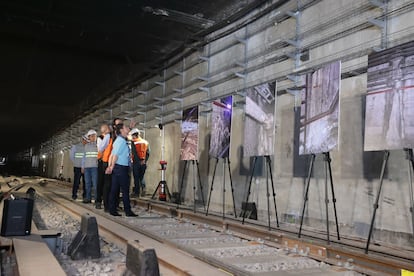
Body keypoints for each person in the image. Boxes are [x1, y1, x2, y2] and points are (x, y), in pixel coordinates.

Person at [106, 123, 137, 217]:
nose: (128, 129)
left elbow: (112, 154)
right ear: (121, 130)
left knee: (114, 189)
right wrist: (111, 166)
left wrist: (110, 166)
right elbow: (115, 155)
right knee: (124, 190)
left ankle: (112, 210)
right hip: (121, 168)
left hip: (117, 167)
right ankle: (127, 211)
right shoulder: (121, 141)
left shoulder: (119, 140)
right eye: (126, 127)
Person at [129, 128, 150, 197]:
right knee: (141, 177)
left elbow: (134, 153)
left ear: (134, 135)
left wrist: (137, 161)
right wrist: (144, 161)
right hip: (143, 163)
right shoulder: (145, 142)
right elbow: (148, 153)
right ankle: (144, 189)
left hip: (136, 163)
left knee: (136, 178)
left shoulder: (134, 142)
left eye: (132, 136)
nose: (132, 137)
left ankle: (137, 193)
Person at [96, 124, 112, 209]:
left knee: (107, 183)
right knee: (101, 182)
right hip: (102, 162)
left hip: (108, 162)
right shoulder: (100, 138)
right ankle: (98, 201)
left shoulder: (111, 137)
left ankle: (107, 201)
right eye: (108, 129)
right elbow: (101, 148)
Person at [69, 135, 88, 200]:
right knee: (76, 182)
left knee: (85, 182)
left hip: (86, 167)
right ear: (82, 140)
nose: (86, 142)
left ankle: (85, 195)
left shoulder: (87, 147)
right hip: (77, 167)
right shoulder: (75, 147)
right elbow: (71, 156)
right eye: (85, 140)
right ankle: (74, 194)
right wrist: (76, 162)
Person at [82, 129, 98, 203]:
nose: (93, 137)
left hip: (95, 167)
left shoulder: (98, 145)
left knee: (95, 183)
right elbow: (84, 157)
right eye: (91, 136)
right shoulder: (86, 146)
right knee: (87, 183)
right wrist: (83, 166)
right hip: (87, 167)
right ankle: (88, 198)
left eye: (94, 136)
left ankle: (96, 198)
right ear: (89, 137)